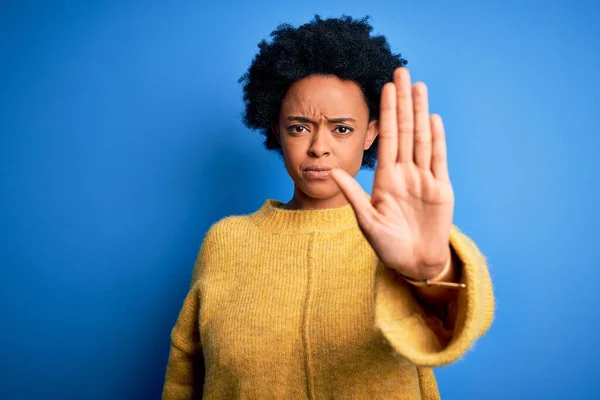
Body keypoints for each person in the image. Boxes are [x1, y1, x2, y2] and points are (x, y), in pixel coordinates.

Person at [162, 15, 495, 400]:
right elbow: (185, 372)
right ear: (276, 131)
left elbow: (449, 327)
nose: (319, 146)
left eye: (342, 128)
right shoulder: (226, 241)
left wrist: (431, 273)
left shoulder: (402, 235)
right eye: (299, 127)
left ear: (371, 132)